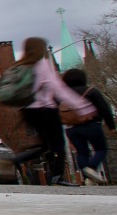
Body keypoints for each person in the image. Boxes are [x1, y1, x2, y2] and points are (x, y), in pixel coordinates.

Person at [10, 38, 92, 186]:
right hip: (46, 109)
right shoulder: (42, 65)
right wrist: (82, 106)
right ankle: (57, 176)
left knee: (46, 145)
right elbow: (59, 89)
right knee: (58, 144)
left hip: (28, 112)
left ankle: (17, 159)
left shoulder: (20, 66)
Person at [61, 68, 112, 185]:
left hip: (72, 128)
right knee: (101, 149)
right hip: (91, 125)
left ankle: (87, 178)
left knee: (82, 152)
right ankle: (91, 168)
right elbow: (104, 109)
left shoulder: (63, 95)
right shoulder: (91, 91)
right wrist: (111, 126)